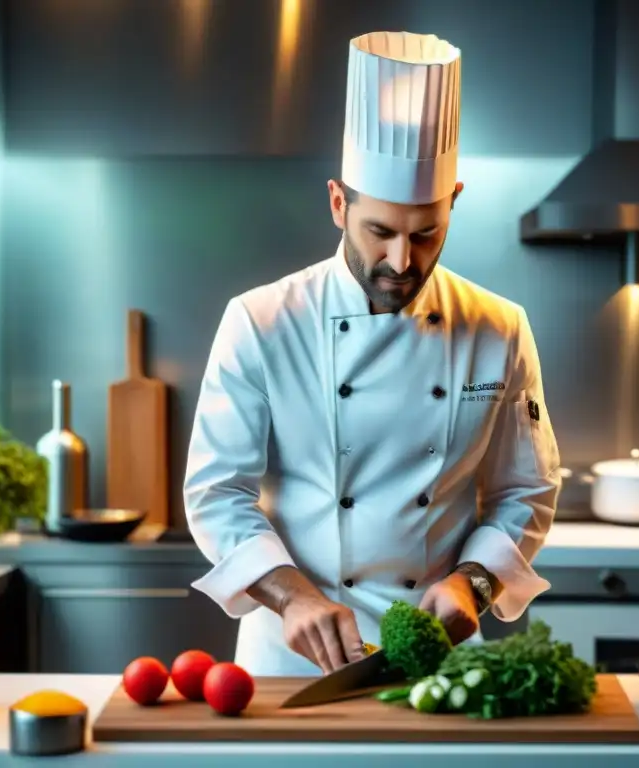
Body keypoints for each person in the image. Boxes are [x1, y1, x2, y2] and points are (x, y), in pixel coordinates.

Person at [183, 30, 561, 678]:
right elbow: (219, 492)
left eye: (425, 234)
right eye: (379, 231)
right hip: (292, 659)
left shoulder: (499, 329)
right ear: (339, 203)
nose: (400, 261)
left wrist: (474, 583)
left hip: (438, 659)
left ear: (454, 204)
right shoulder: (262, 321)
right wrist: (289, 594)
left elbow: (526, 490)